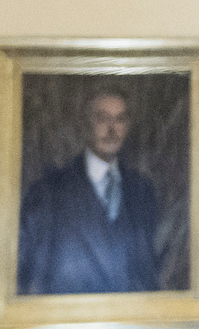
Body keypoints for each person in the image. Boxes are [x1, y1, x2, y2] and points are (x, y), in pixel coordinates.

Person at [17, 87, 165, 295]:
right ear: (85, 124)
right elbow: (25, 271)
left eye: (120, 119)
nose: (112, 130)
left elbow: (150, 272)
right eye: (102, 119)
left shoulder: (142, 190)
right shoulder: (50, 190)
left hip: (132, 319)